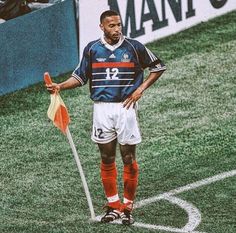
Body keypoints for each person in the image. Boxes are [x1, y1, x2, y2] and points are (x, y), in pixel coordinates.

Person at [46, 10, 166, 225]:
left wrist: (141, 89)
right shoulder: (92, 48)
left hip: (126, 108)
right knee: (107, 158)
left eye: (119, 25)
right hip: (101, 109)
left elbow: (158, 67)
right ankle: (113, 206)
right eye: (111, 26)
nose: (117, 29)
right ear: (102, 27)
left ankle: (127, 206)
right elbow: (80, 77)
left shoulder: (134, 46)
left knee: (128, 158)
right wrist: (60, 86)